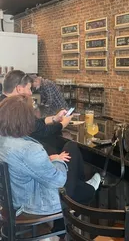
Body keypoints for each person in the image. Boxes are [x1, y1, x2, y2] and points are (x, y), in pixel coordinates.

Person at [0, 95, 101, 239]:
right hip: (31, 205)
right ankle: (86, 190)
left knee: (68, 152)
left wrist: (48, 158)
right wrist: (58, 160)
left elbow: (21, 165)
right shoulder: (29, 149)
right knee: (71, 149)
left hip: (11, 200)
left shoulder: (4, 140)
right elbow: (59, 180)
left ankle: (83, 191)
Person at [0, 70, 71, 140]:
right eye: (29, 89)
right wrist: (63, 123)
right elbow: (42, 131)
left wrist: (54, 119)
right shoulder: (16, 108)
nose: (31, 93)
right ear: (19, 89)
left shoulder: (3, 103)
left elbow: (34, 123)